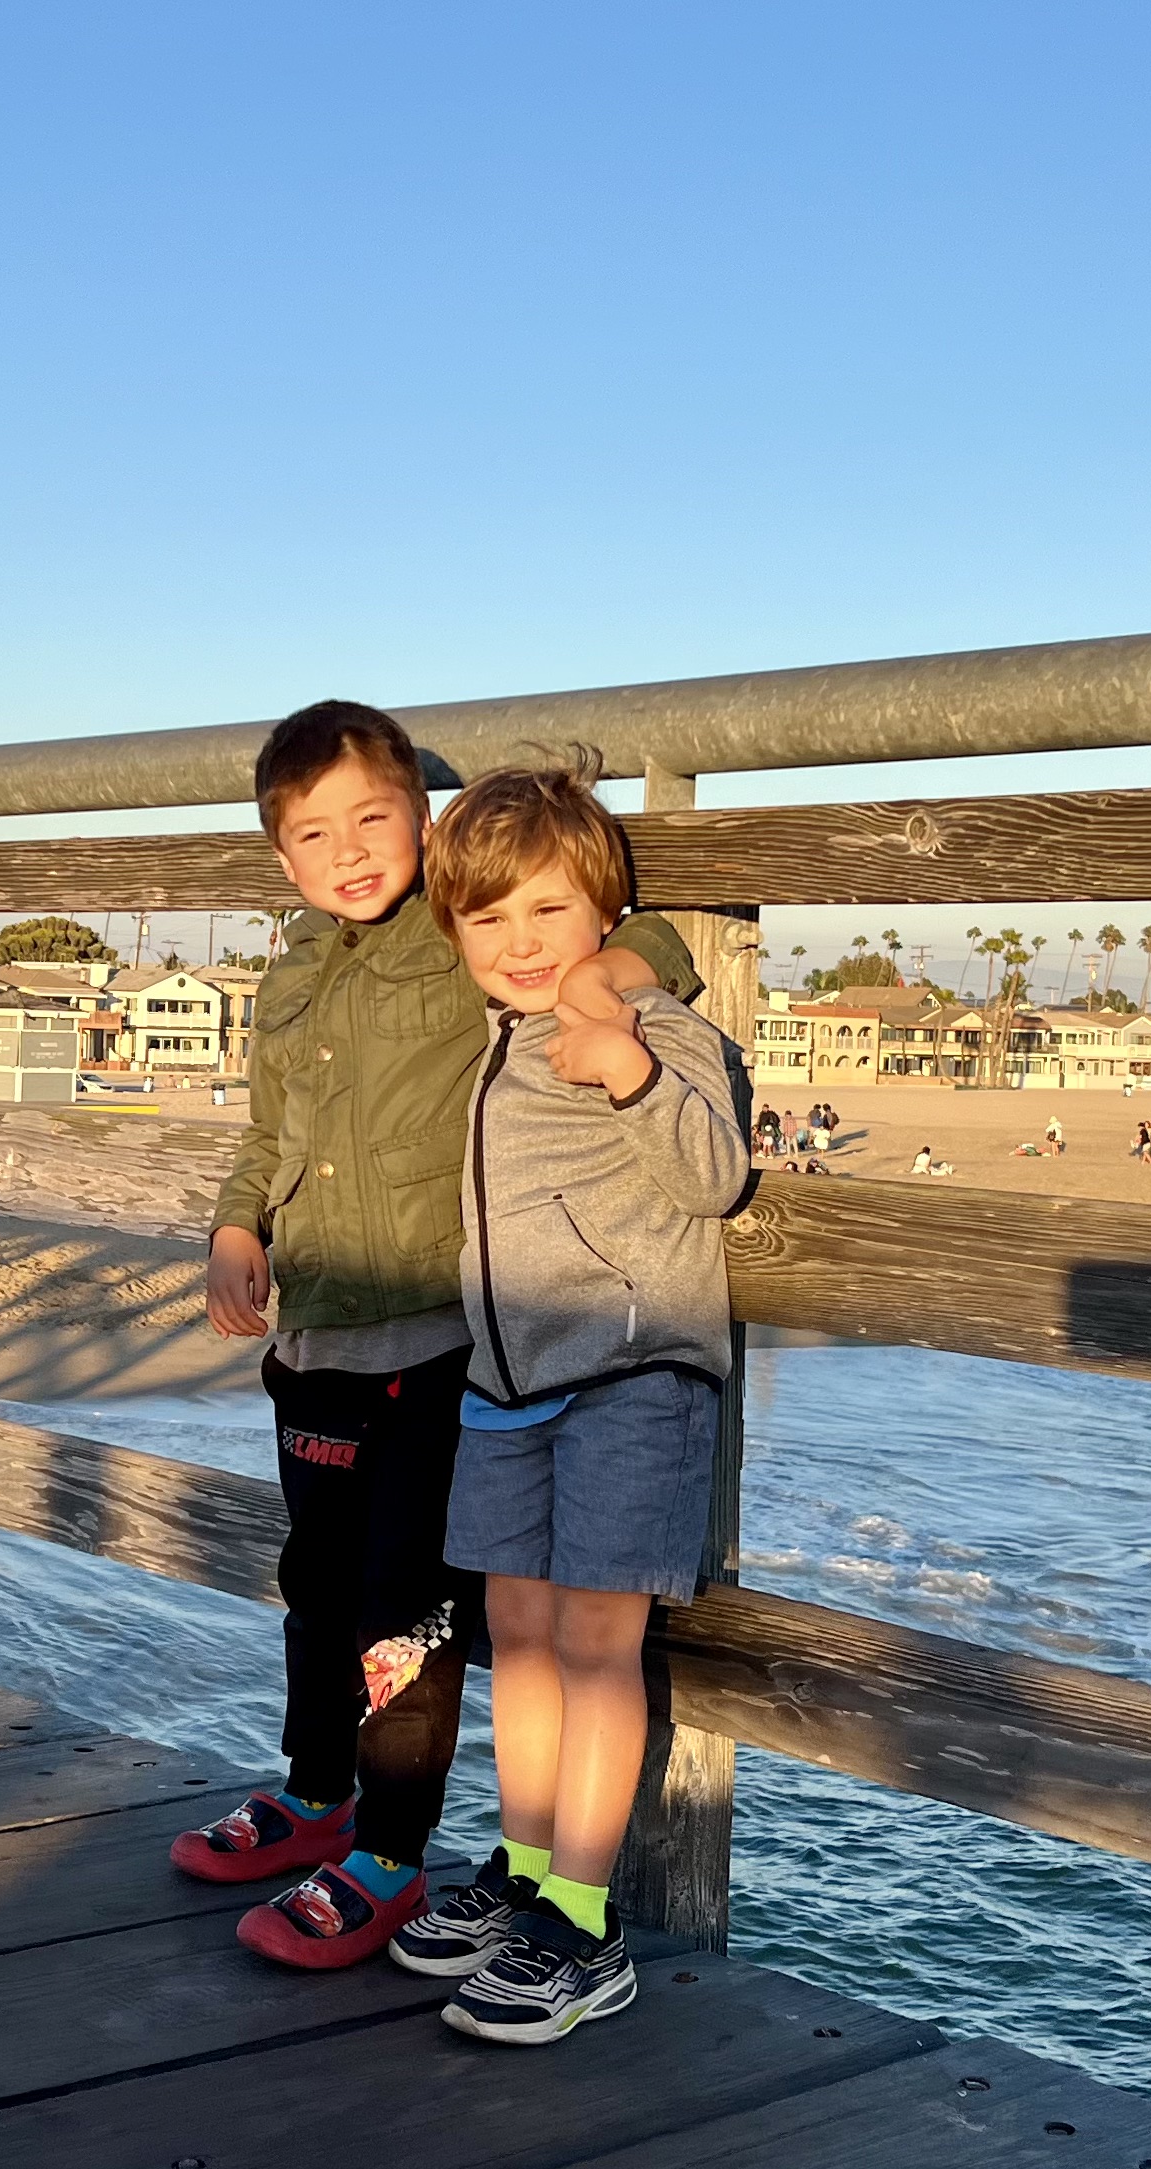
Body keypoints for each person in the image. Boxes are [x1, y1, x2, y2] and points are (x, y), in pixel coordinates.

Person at [170, 701, 699, 1970]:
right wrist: (238, 1221)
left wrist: (600, 982)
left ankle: (394, 1853)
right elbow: (269, 1133)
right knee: (316, 1585)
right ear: (280, 858)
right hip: (315, 1335)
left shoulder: (463, 936)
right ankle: (315, 1792)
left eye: (373, 818)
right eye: (313, 835)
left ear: (424, 818)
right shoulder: (290, 977)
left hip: (435, 1338)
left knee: (409, 1613)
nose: (349, 853)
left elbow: (655, 937)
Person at [387, 754, 745, 2043]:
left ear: (603, 911)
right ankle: (527, 1869)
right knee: (520, 1644)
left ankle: (582, 1923)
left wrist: (632, 1062)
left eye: (549, 912)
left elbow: (713, 1175)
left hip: (630, 1382)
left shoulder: (647, 1025)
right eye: (489, 919)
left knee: (597, 1650)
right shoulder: (491, 1040)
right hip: (503, 1388)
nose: (522, 944)